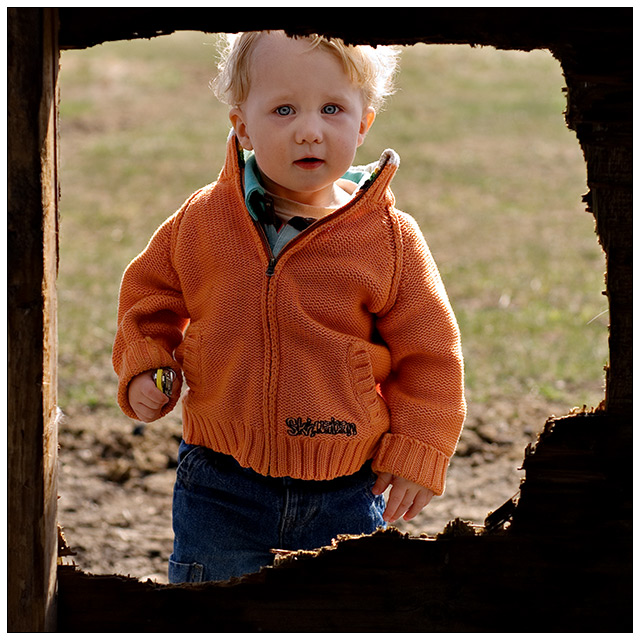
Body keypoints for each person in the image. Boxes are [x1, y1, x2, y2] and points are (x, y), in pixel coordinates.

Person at [112, 30, 466, 583]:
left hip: (347, 486)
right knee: (214, 613)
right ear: (242, 124)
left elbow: (432, 355)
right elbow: (148, 296)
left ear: (363, 122)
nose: (309, 130)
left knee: (337, 612)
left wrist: (420, 447)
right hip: (221, 484)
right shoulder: (205, 220)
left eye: (332, 109)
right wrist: (147, 363)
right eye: (283, 109)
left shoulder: (388, 239)